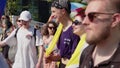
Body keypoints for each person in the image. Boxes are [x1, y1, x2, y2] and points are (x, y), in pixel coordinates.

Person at [79, 0, 120, 68]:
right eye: (84, 16)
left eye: (92, 16)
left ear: (114, 20)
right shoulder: (86, 53)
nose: (84, 22)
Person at [45, 0, 80, 68]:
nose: (52, 15)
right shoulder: (60, 29)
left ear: (63, 11)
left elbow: (74, 56)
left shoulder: (74, 30)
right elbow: (63, 55)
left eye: (54, 12)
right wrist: (52, 58)